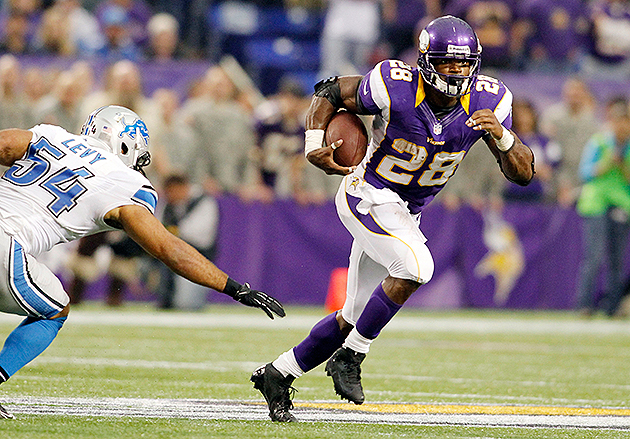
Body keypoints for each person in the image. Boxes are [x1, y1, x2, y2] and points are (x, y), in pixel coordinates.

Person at [250, 15, 534, 422]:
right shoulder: (395, 84)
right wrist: (314, 141)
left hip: (405, 212)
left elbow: (523, 174)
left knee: (353, 316)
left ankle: (279, 373)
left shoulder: (491, 101)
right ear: (424, 61)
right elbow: (331, 91)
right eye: (446, 62)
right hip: (367, 193)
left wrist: (504, 137)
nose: (455, 72)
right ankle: (351, 357)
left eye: (462, 63)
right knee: (418, 266)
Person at [0, 105, 285, 419]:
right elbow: (167, 249)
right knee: (54, 310)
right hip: (7, 243)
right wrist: (233, 288)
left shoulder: (50, 135)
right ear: (127, 145)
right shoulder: (125, 182)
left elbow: (4, 143)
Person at [575, 96, 630, 318]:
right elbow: (585, 172)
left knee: (617, 259)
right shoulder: (599, 142)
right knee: (594, 256)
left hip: (621, 203)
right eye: (618, 121)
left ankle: (612, 306)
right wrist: (607, 163)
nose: (622, 126)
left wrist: (622, 164)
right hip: (596, 203)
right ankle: (584, 305)